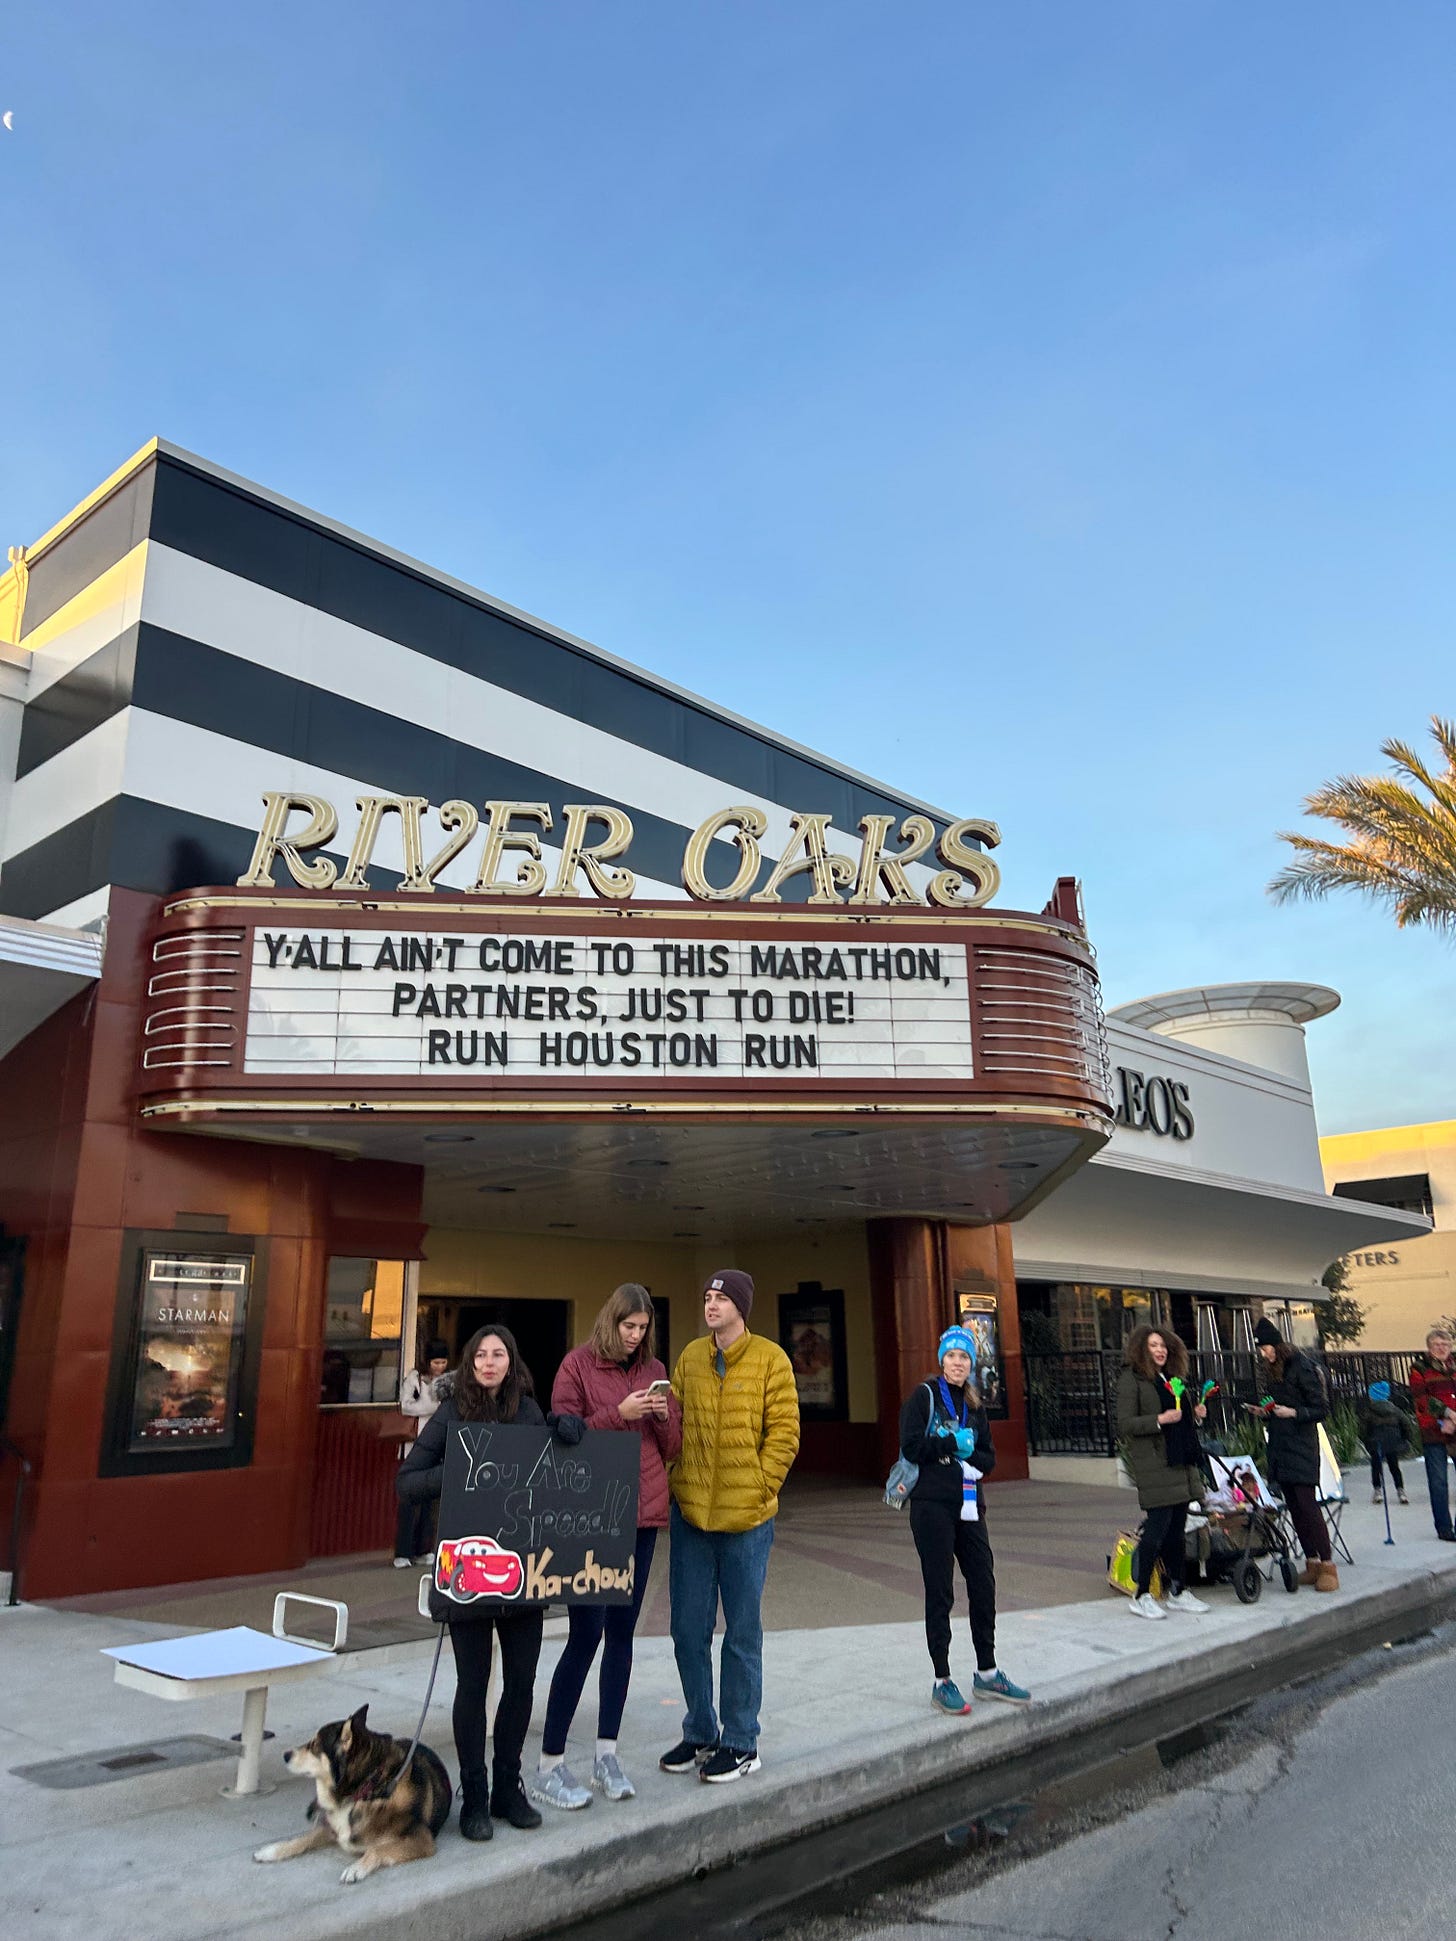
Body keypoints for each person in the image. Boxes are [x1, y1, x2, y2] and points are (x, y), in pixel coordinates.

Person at [397, 1325, 584, 1842]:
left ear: (511, 1361)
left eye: (498, 1353)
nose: (488, 1362)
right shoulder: (451, 1411)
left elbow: (557, 1472)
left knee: (521, 1683)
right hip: (466, 1573)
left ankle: (507, 1786)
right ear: (470, 1361)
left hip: (521, 1571)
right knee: (473, 1685)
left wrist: (565, 1430)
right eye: (480, 1354)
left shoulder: (528, 1412)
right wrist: (456, 1470)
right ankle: (474, 1794)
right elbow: (407, 1483)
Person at [532, 1284, 682, 1810]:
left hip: (642, 1514)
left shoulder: (653, 1368)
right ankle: (550, 1762)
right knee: (585, 1634)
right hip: (591, 1516)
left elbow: (673, 1446)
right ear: (612, 1320)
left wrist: (661, 1415)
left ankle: (606, 1755)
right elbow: (564, 1436)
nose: (636, 1336)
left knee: (622, 1635)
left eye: (643, 1328)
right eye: (628, 1326)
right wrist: (620, 1411)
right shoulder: (576, 1366)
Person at [659, 1269, 799, 1785]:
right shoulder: (691, 1358)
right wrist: (675, 1476)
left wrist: (761, 1486)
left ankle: (741, 1741)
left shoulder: (770, 1359)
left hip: (747, 1521)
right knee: (687, 1630)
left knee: (741, 1633)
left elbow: (784, 1432)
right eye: (707, 1297)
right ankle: (700, 1729)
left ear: (742, 1306)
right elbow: (673, 1425)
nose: (711, 1305)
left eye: (721, 1298)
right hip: (692, 1515)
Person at [898, 1325, 1030, 1714]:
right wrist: (949, 1444)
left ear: (972, 1364)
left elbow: (989, 1458)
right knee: (940, 1591)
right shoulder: (924, 1396)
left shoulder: (975, 1405)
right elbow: (911, 1446)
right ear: (942, 1360)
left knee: (983, 1583)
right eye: (952, 1356)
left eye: (965, 1357)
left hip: (970, 1506)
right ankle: (942, 1679)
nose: (958, 1363)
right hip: (931, 1506)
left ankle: (987, 1673)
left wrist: (969, 1456)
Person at [1116, 1325, 1210, 1621]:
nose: (1160, 1350)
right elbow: (1125, 1423)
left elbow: (1181, 1420)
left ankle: (1178, 1591)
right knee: (1155, 1532)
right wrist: (1159, 1419)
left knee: (1176, 1533)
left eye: (1163, 1346)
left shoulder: (1170, 1379)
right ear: (1141, 1349)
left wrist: (1195, 1416)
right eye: (1153, 1345)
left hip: (1179, 1463)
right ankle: (1141, 1594)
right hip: (1156, 1465)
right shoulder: (1132, 1379)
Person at [1251, 1316, 1336, 1590]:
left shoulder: (1302, 1367)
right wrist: (1265, 1412)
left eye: (1265, 1348)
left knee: (1308, 1505)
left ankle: (1328, 1565)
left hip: (1301, 1444)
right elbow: (1278, 1404)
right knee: (1295, 1507)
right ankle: (1312, 1561)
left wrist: (1294, 1412)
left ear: (1275, 1345)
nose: (1263, 1354)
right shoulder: (1273, 1370)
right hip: (1280, 1443)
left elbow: (1321, 1408)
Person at [393, 1337, 451, 1568]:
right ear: (428, 1361)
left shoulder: (449, 1382)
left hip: (437, 1446)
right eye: (436, 1362)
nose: (440, 1367)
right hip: (413, 1446)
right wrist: (434, 1407)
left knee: (429, 1501)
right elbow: (405, 1406)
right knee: (408, 1500)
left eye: (443, 1362)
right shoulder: (415, 1379)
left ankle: (424, 1549)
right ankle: (402, 1552)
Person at [1409, 1327, 1456, 1541]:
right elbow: (1421, 1400)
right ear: (1429, 1347)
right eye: (1437, 1345)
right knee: (1438, 1483)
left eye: (1445, 1344)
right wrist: (1447, 1415)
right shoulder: (1419, 1369)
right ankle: (1444, 1528)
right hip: (1434, 1431)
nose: (1441, 1348)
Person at [1356, 1379, 1413, 1506]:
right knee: (1395, 1467)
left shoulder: (1369, 1411)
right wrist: (1405, 1439)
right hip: (1393, 1442)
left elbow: (1362, 1429)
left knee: (1376, 1466)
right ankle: (1401, 1491)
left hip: (1376, 1442)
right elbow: (1406, 1425)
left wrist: (1366, 1441)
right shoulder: (1396, 1410)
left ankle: (1378, 1491)